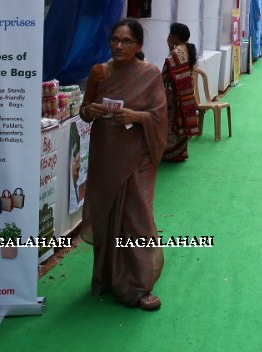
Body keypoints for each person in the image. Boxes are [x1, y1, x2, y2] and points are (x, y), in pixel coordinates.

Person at [79, 19, 167, 310]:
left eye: (126, 41)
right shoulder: (99, 72)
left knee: (136, 216)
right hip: (106, 152)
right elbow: (85, 112)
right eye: (115, 39)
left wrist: (135, 116)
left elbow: (158, 116)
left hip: (137, 154)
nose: (119, 45)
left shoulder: (150, 74)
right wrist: (89, 110)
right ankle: (105, 277)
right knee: (105, 215)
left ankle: (138, 286)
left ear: (139, 46)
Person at [160, 22, 200, 162]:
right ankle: (180, 152)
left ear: (175, 37)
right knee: (180, 122)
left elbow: (165, 75)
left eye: (171, 34)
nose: (169, 36)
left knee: (172, 123)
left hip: (176, 95)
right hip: (186, 92)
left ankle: (171, 153)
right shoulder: (187, 49)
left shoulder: (176, 54)